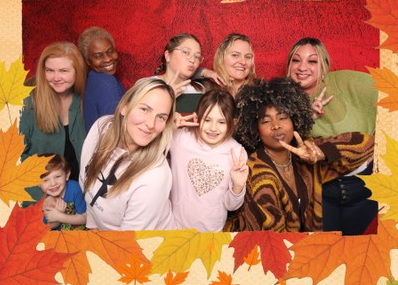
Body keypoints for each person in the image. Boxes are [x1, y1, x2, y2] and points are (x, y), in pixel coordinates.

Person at [226, 78, 374, 232]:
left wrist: (320, 153)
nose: (276, 125)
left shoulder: (304, 153)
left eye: (282, 117)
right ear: (256, 130)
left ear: (294, 121)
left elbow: (366, 142)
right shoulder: (259, 176)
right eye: (266, 121)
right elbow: (273, 239)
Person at [286, 37, 378, 235]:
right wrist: (306, 118)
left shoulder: (347, 82)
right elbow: (281, 149)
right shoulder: (281, 99)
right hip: (321, 193)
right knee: (326, 255)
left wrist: (383, 151)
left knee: (353, 255)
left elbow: (391, 94)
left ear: (324, 65)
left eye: (312, 61)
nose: (302, 67)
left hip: (364, 190)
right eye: (296, 60)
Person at [80, 77, 176, 230]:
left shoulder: (155, 176)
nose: (151, 124)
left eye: (161, 117)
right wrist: (93, 230)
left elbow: (129, 245)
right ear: (125, 107)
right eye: (145, 109)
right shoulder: (100, 128)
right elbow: (89, 190)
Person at [170, 90, 248, 231]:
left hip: (212, 232)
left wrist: (237, 186)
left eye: (221, 122)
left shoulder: (237, 153)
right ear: (198, 117)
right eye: (207, 120)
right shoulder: (180, 139)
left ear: (232, 123)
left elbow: (231, 206)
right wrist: (169, 126)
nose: (213, 128)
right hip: (173, 227)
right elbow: (150, 148)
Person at [20, 42, 87, 183]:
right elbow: (15, 156)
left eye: (63, 71)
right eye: (50, 70)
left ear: (77, 71)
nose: (56, 77)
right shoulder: (27, 102)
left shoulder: (84, 99)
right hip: (42, 191)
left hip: (78, 190)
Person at [77, 27, 125, 132]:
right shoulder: (107, 83)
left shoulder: (92, 79)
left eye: (110, 51)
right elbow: (116, 130)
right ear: (88, 61)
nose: (108, 59)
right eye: (98, 56)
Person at [153, 33, 206, 113]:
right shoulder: (149, 85)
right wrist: (168, 97)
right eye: (185, 52)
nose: (192, 60)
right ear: (168, 56)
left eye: (197, 56)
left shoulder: (199, 89)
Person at [37, 153, 86, 230]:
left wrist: (60, 216)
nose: (53, 183)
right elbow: (47, 227)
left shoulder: (74, 189)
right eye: (46, 180)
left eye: (57, 176)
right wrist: (58, 216)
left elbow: (85, 218)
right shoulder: (45, 203)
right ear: (37, 184)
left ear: (67, 175)